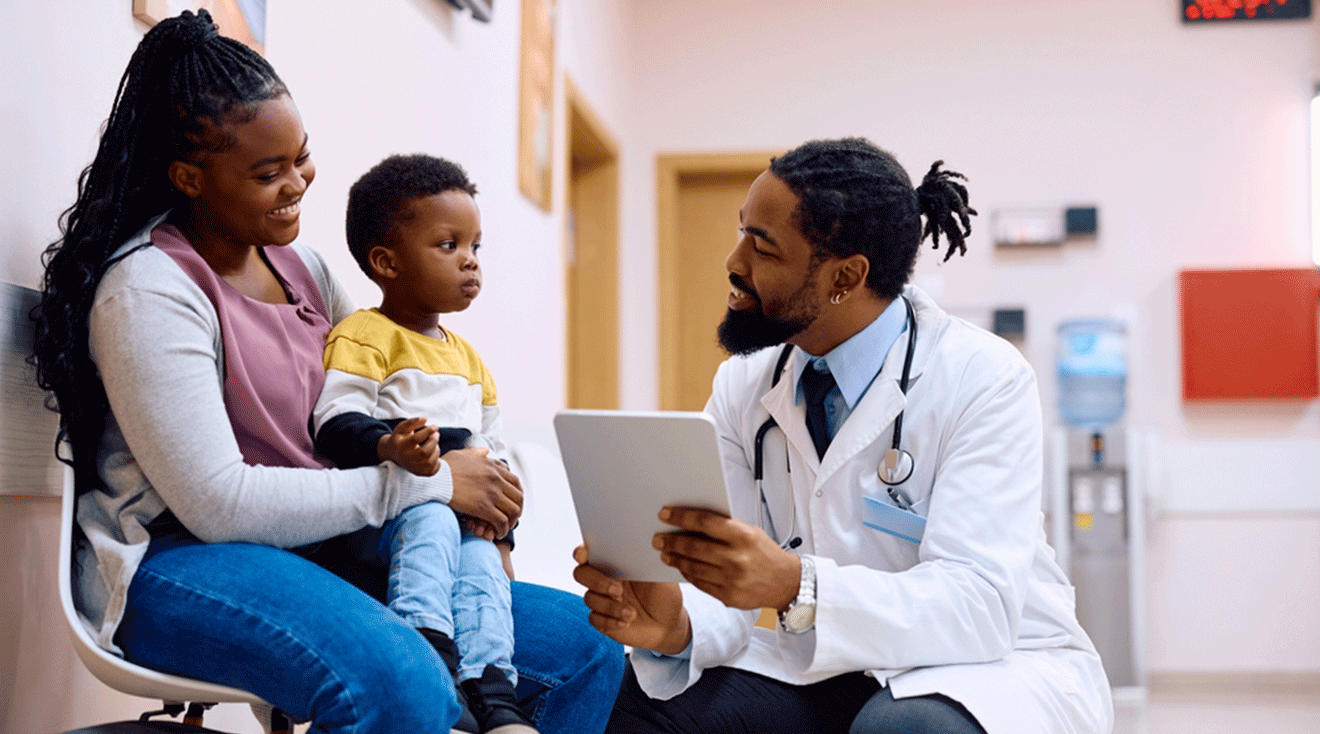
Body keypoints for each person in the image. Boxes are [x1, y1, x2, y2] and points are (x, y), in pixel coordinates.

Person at [33, 10, 622, 734]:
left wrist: (483, 515)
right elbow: (218, 505)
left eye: (301, 159)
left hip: (327, 544)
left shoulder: (305, 271)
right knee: (402, 679)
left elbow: (387, 389)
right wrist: (433, 483)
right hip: (176, 561)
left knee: (586, 646)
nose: (297, 184)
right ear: (189, 176)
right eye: (266, 172)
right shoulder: (150, 291)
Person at [573, 137, 1113, 734]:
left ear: (845, 277)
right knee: (646, 702)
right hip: (825, 667)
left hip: (987, 669)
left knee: (904, 729)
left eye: (763, 246)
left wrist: (793, 583)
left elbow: (978, 607)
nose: (734, 262)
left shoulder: (983, 377)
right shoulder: (745, 384)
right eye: (741, 232)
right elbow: (732, 581)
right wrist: (676, 623)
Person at [310, 153, 535, 734]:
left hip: (461, 510)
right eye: (448, 245)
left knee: (484, 565)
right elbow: (334, 421)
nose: (470, 262)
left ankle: (492, 689)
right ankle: (427, 658)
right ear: (386, 263)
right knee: (431, 520)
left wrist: (503, 523)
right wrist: (393, 448)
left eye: (476, 247)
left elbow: (492, 450)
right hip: (391, 512)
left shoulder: (469, 360)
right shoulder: (365, 336)